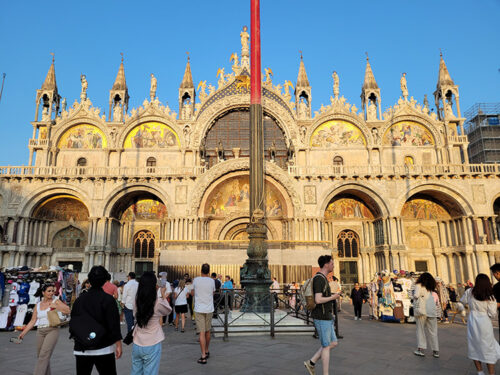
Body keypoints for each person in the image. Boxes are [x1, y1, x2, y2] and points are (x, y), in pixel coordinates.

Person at [70, 266, 122, 375]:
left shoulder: (79, 300)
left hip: (82, 347)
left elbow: (73, 322)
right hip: (104, 347)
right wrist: (118, 344)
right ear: (105, 281)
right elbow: (114, 324)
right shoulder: (108, 299)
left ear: (90, 280)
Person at [18, 283, 70, 375]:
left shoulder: (56, 301)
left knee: (43, 356)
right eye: (49, 291)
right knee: (42, 357)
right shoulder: (38, 305)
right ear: (43, 292)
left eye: (53, 291)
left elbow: (68, 310)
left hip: (52, 330)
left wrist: (56, 307)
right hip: (40, 332)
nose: (51, 293)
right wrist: (23, 333)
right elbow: (32, 321)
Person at [304, 255, 341, 375]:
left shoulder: (324, 278)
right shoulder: (319, 279)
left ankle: (311, 362)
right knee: (326, 346)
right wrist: (333, 297)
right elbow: (318, 299)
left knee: (333, 343)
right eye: (332, 263)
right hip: (321, 316)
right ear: (326, 264)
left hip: (327, 316)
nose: (333, 265)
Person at [131, 271, 172, 375]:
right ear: (154, 285)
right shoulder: (157, 302)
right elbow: (168, 310)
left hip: (137, 341)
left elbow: (135, 315)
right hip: (152, 342)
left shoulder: (136, 300)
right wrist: (162, 293)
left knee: (136, 372)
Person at [461, 273, 500, 375]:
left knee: (474, 345)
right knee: (488, 347)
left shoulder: (469, 292)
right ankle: (491, 373)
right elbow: (492, 314)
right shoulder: (490, 296)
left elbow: (461, 302)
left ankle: (480, 372)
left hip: (472, 321)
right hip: (484, 322)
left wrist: (465, 309)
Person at [192, 263, 215, 364]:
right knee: (208, 331)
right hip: (209, 308)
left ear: (201, 270)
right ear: (208, 271)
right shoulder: (211, 281)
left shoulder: (196, 280)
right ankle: (206, 350)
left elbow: (192, 293)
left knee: (201, 332)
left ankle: (203, 356)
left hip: (199, 308)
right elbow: (213, 292)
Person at [413, 272, 440, 358]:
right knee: (433, 332)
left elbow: (416, 295)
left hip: (422, 310)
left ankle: (421, 349)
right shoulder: (431, 287)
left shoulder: (419, 285)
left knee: (420, 330)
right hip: (432, 310)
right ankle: (436, 351)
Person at [490, 263, 500, 342]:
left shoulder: (497, 287)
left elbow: (494, 302)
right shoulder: (496, 287)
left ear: (497, 273)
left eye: (494, 275)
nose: (494, 277)